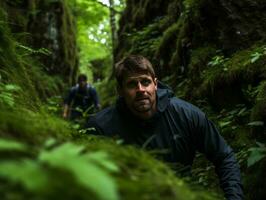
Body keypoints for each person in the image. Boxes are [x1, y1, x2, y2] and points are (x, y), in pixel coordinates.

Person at [87, 55, 243, 200]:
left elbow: (224, 156)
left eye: (145, 82)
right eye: (132, 84)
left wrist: (234, 197)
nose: (141, 89)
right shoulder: (102, 127)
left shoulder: (186, 115)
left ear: (155, 84)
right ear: (120, 91)